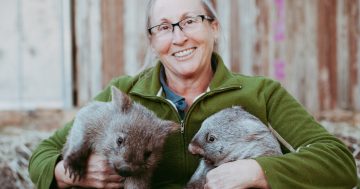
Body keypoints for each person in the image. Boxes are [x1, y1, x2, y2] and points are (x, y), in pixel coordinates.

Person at [29, 0, 358, 188]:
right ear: (152, 41)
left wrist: (259, 171)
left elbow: (337, 163)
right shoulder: (125, 96)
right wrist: (68, 173)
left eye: (190, 21)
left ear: (213, 28)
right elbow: (42, 154)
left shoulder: (261, 93)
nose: (178, 37)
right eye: (163, 27)